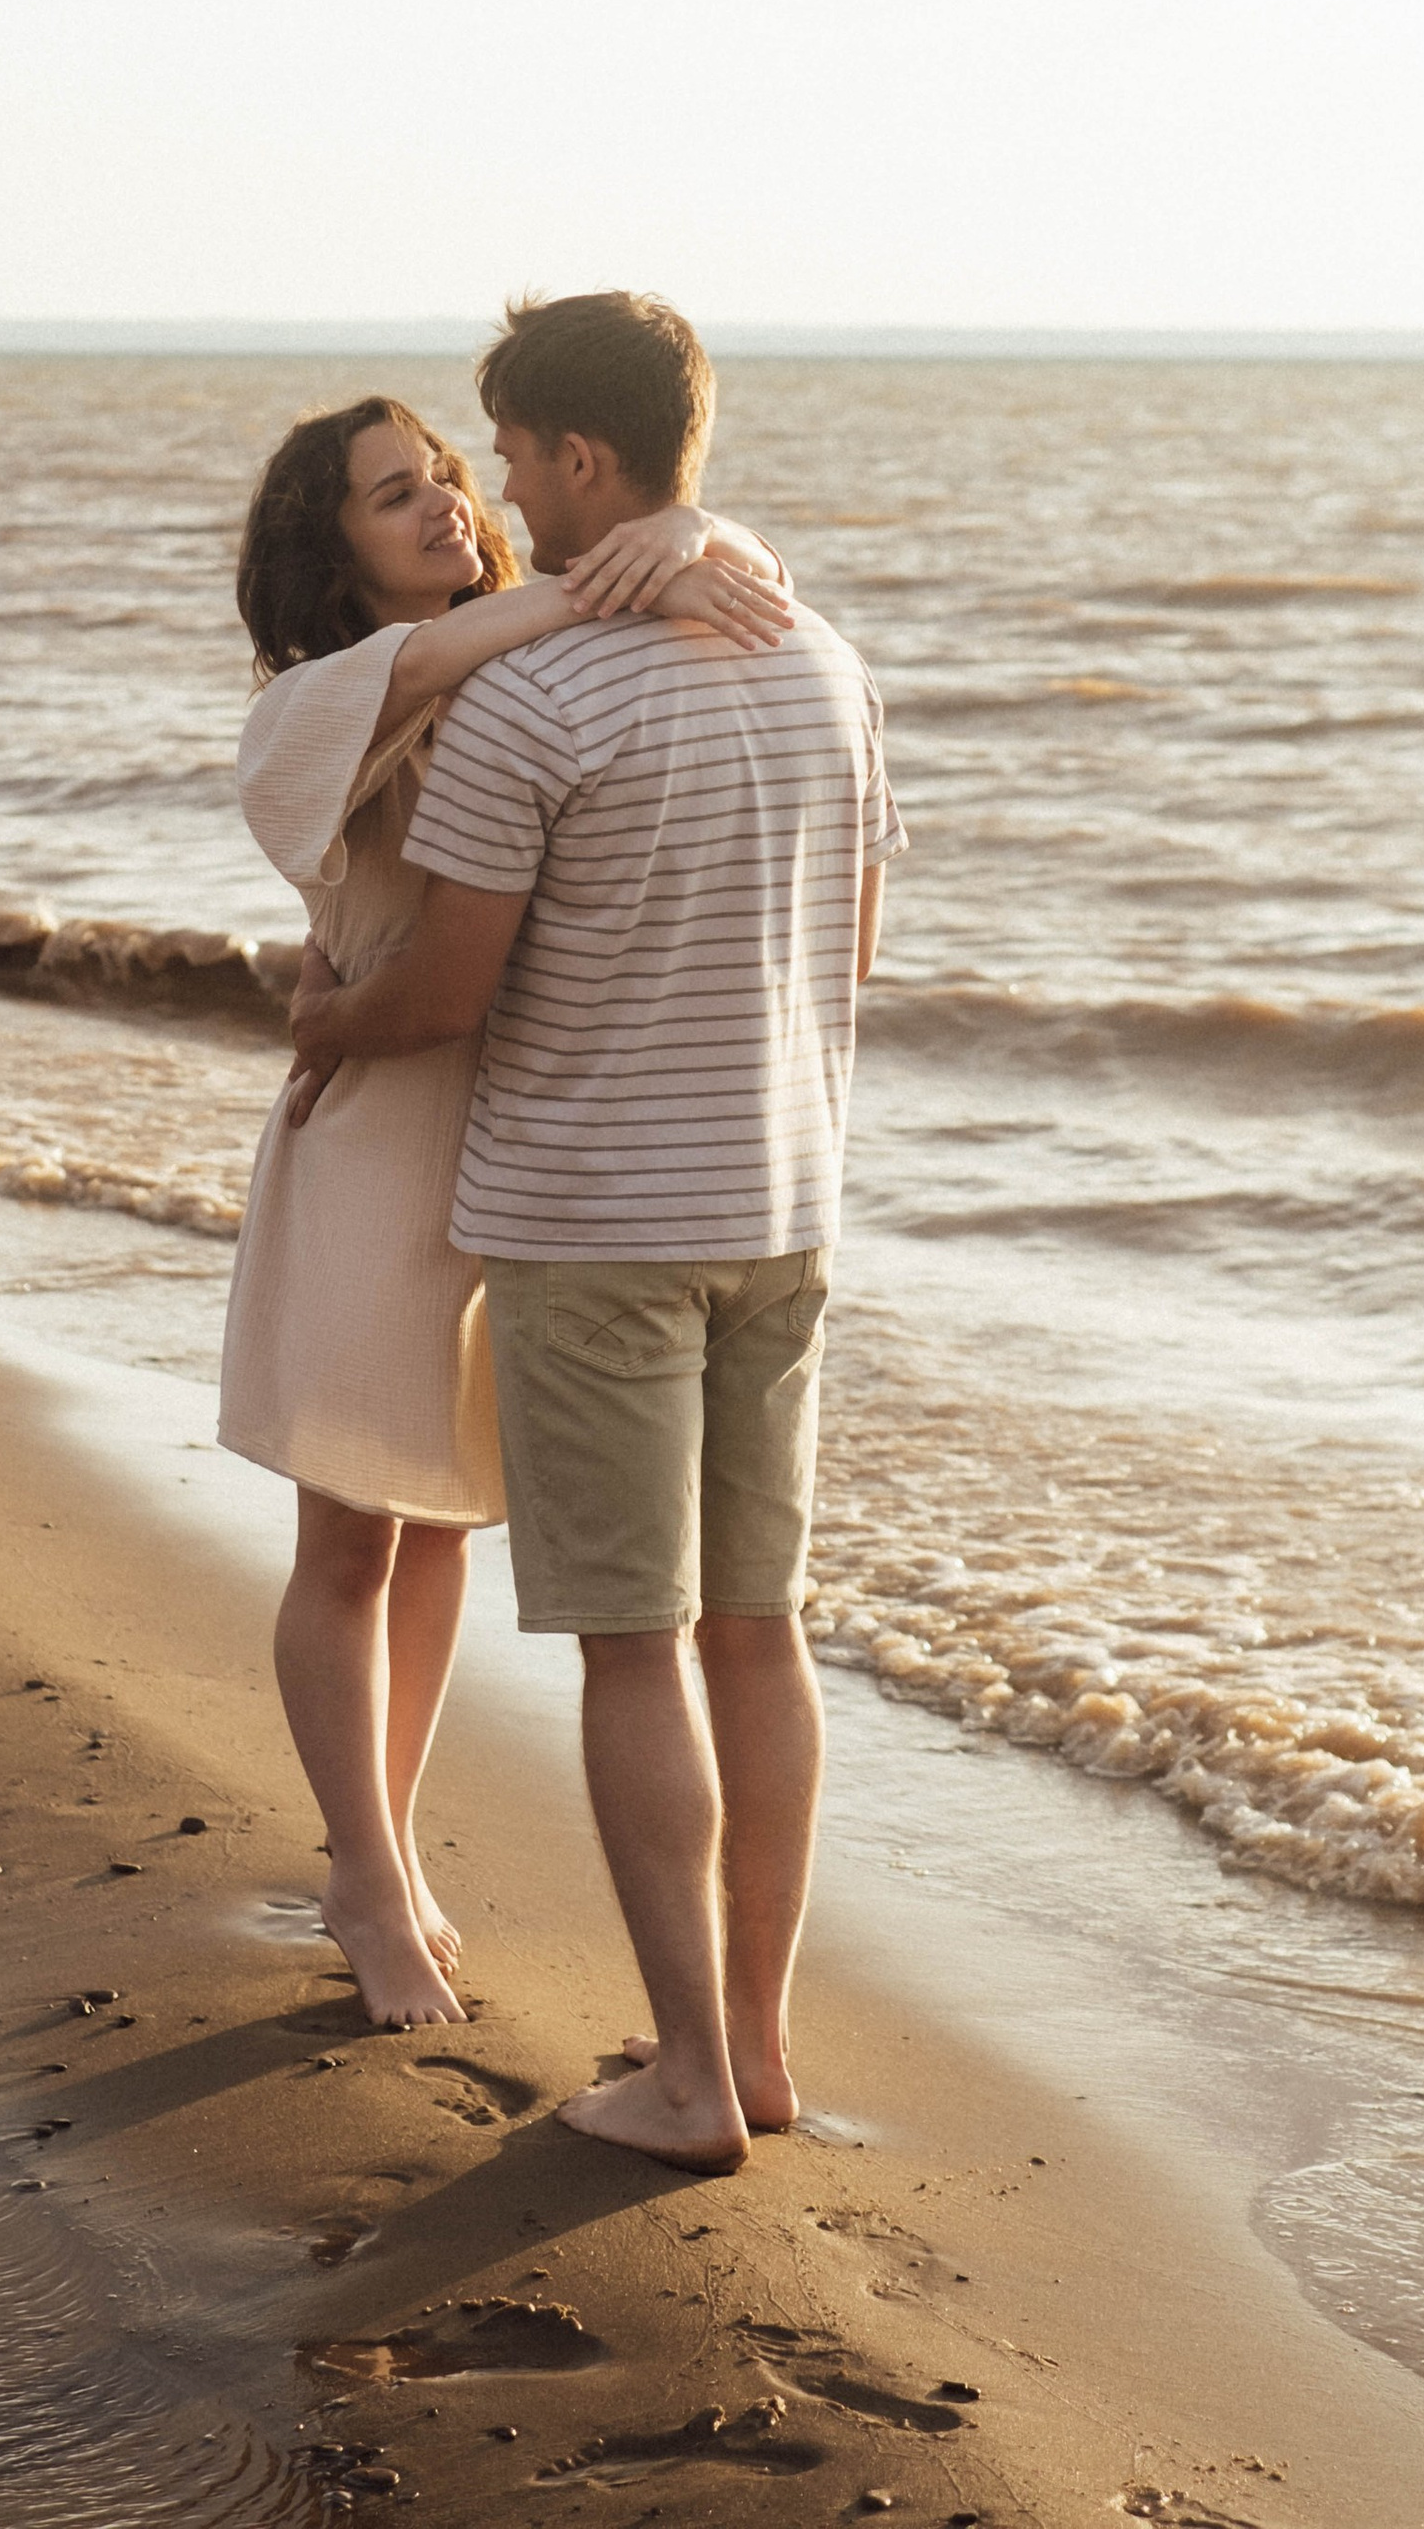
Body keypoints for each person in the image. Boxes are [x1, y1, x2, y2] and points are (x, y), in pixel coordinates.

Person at [287, 293, 903, 2168]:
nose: (495, 495)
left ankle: (692, 2081)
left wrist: (330, 1022)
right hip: (784, 1209)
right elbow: (855, 942)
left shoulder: (531, 700)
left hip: (594, 1229)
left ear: (575, 458)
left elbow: (446, 992)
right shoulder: (828, 662)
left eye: (506, 453)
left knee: (633, 1651)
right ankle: (766, 2049)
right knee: (759, 1634)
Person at [221, 389, 793, 2030]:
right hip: (373, 1136)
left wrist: (694, 536)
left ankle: (378, 1853)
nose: (449, 513)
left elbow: (686, 609)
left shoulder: (522, 661)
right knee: (347, 1535)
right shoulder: (325, 698)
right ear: (327, 549)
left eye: (450, 483)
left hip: (513, 1144)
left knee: (440, 1520)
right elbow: (418, 679)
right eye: (396, 499)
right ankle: (372, 1876)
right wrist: (654, 550)